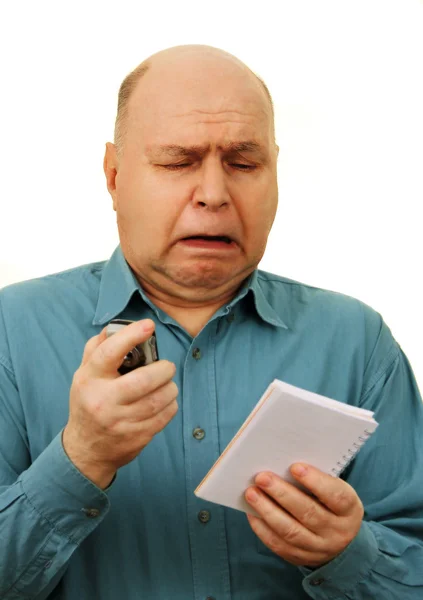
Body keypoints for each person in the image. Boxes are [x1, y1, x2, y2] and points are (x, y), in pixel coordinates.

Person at [0, 44, 422, 600]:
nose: (214, 195)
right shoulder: (11, 330)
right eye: (178, 162)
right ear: (113, 175)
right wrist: (82, 455)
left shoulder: (357, 342)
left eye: (244, 164)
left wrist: (349, 551)